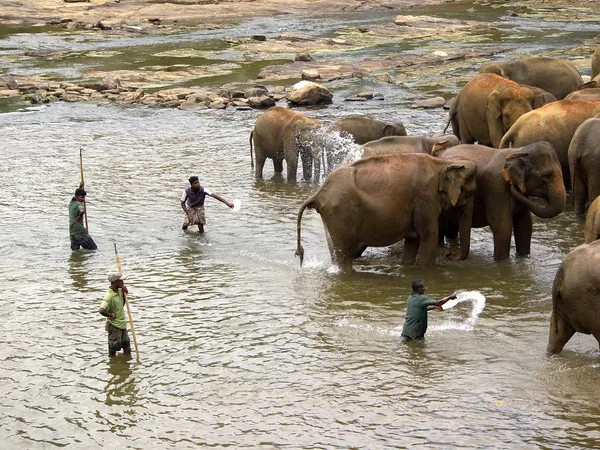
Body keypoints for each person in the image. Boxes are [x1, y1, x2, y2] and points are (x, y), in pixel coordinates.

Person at [99, 272, 131, 357]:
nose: (123, 283)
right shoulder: (109, 296)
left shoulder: (120, 291)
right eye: (121, 281)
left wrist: (125, 295)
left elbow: (121, 305)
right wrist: (111, 315)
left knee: (127, 347)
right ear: (115, 282)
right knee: (113, 348)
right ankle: (112, 363)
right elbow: (101, 310)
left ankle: (125, 364)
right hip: (114, 326)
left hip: (122, 324)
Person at [69, 184, 97, 250]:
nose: (83, 199)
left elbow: (77, 194)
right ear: (77, 197)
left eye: (84, 197)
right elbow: (82, 210)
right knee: (93, 248)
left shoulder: (71, 202)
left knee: (75, 250)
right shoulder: (79, 204)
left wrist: (80, 187)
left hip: (72, 230)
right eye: (82, 197)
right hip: (79, 230)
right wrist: (79, 216)